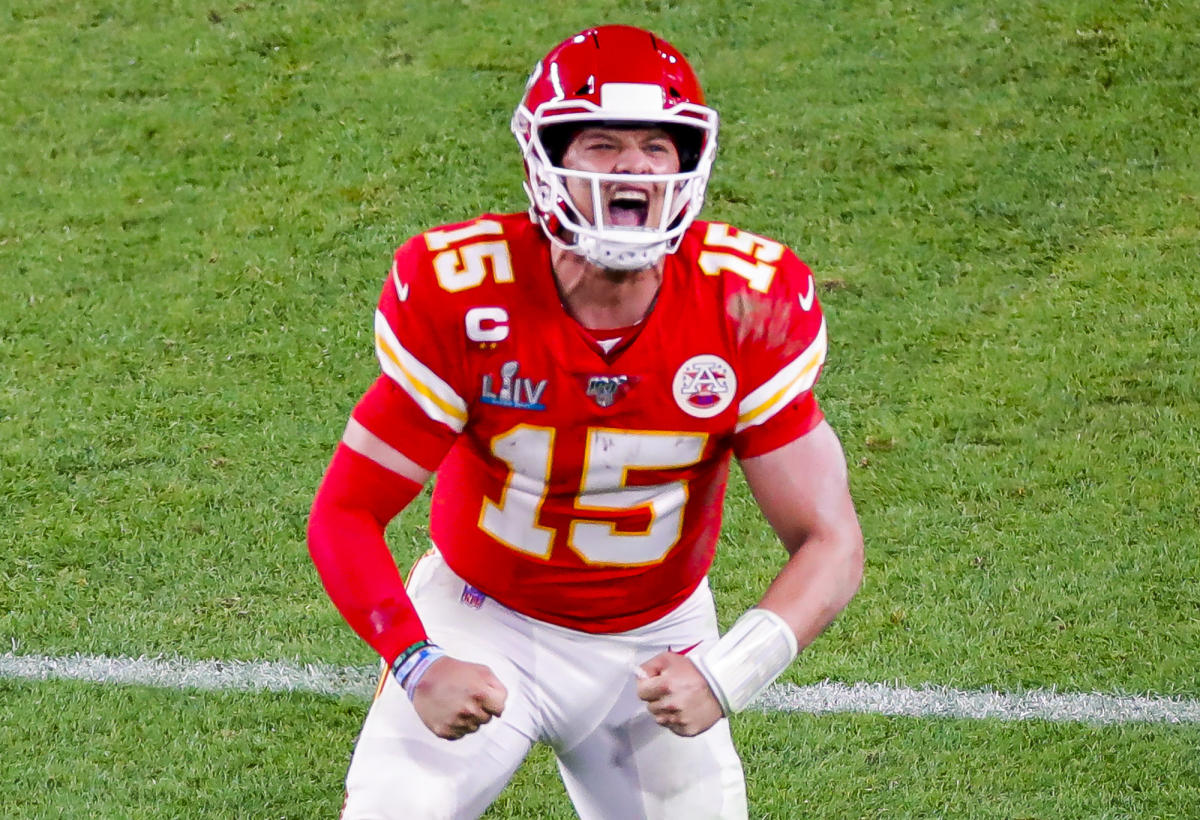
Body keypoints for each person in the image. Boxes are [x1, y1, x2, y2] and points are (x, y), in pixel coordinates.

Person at [308, 24, 864, 820]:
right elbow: (347, 511)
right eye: (602, 144)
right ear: (548, 160)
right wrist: (416, 660)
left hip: (655, 640)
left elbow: (831, 540)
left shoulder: (742, 307)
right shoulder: (471, 296)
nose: (633, 169)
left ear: (688, 164)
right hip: (479, 618)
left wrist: (725, 672)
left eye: (655, 147)